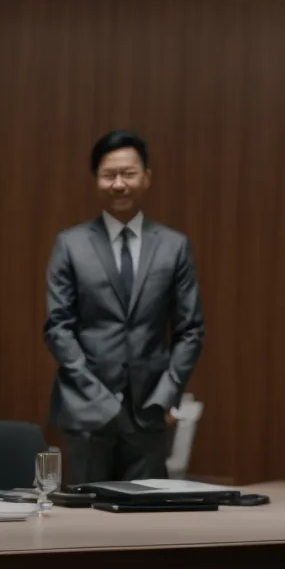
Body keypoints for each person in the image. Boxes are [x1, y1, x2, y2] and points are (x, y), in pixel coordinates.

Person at [44, 130, 205, 484]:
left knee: (145, 524)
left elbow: (189, 330)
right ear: (95, 180)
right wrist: (98, 396)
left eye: (128, 173)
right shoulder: (70, 245)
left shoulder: (173, 247)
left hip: (149, 413)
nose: (119, 184)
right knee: (84, 523)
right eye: (109, 175)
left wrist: (164, 397)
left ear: (146, 178)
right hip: (86, 410)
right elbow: (58, 327)